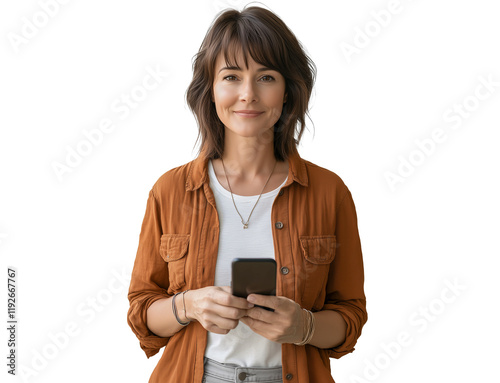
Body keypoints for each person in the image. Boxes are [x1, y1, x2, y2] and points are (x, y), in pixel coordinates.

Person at [127, 5, 367, 383]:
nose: (248, 94)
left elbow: (350, 316)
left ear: (288, 90)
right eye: (232, 76)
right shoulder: (170, 191)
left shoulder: (329, 192)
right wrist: (188, 305)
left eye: (266, 77)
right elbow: (142, 313)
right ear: (211, 89)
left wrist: (302, 327)